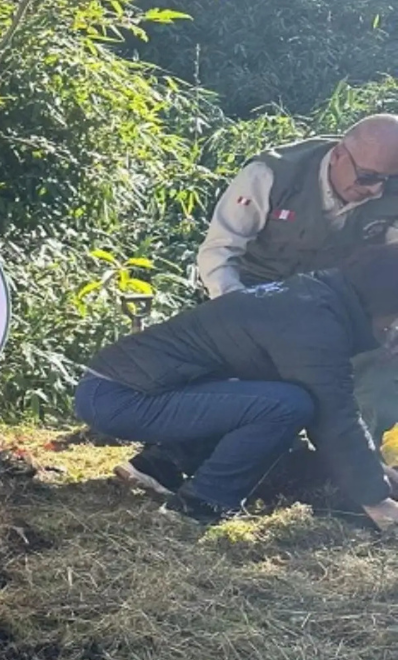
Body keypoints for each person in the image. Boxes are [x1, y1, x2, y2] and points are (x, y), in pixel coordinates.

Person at [115, 114, 398, 495]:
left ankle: (357, 471)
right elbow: (219, 252)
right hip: (250, 297)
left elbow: (389, 270)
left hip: (335, 308)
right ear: (338, 155)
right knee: (255, 372)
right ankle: (167, 459)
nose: (375, 190)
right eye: (367, 177)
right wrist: (244, 316)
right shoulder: (271, 173)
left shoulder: (389, 192)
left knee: (381, 356)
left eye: (387, 180)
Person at [74, 245, 398, 527]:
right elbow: (333, 416)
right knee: (288, 405)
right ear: (383, 301)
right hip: (122, 397)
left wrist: (375, 471)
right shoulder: (315, 322)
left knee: (269, 396)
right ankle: (202, 503)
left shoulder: (316, 298)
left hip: (122, 387)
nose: (390, 330)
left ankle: (159, 466)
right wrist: (376, 499)